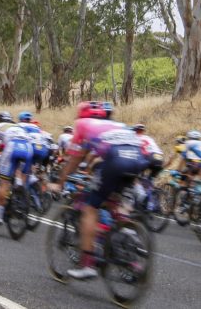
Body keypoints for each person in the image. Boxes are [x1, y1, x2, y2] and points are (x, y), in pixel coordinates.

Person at [50, 101, 149, 280]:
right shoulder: (115, 125)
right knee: (115, 203)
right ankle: (127, 238)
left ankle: (87, 264)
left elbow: (75, 158)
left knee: (90, 208)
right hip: (137, 159)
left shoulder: (82, 124)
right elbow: (96, 154)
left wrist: (61, 181)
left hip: (115, 161)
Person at [0, 111, 33, 227]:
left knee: (4, 183)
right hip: (28, 148)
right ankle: (19, 195)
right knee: (21, 175)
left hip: (13, 147)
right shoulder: (19, 127)